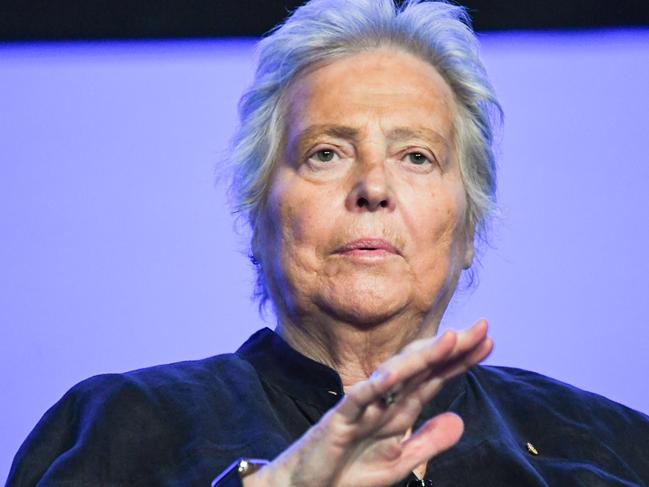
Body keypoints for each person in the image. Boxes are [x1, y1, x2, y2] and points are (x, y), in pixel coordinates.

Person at [6, 0, 649, 486]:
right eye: (325, 153)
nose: (373, 186)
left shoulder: (609, 448)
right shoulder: (118, 431)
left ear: (470, 228)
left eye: (417, 156)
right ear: (257, 215)